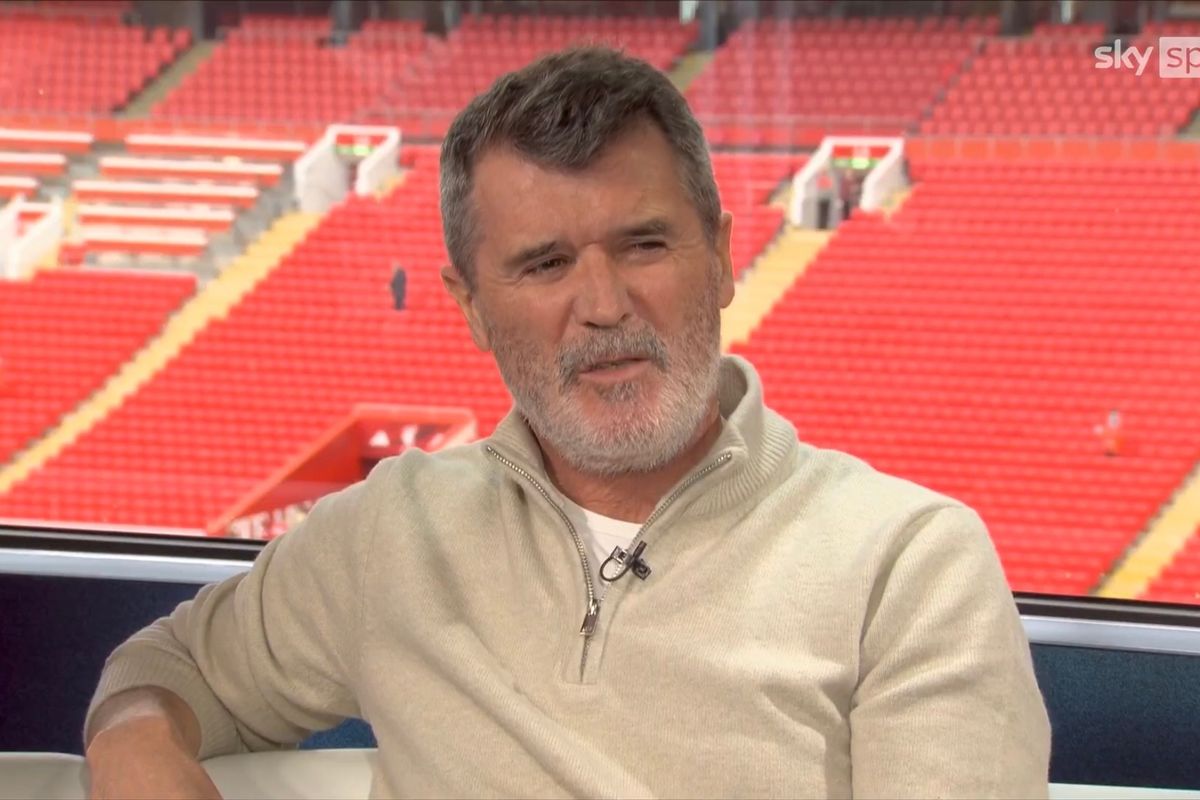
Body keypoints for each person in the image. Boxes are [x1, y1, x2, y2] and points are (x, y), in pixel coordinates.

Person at [83, 47, 1051, 798]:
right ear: (471, 307)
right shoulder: (389, 534)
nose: (603, 305)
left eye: (644, 244)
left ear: (721, 258)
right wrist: (134, 743)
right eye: (545, 264)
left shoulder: (910, 565)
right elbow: (168, 669)